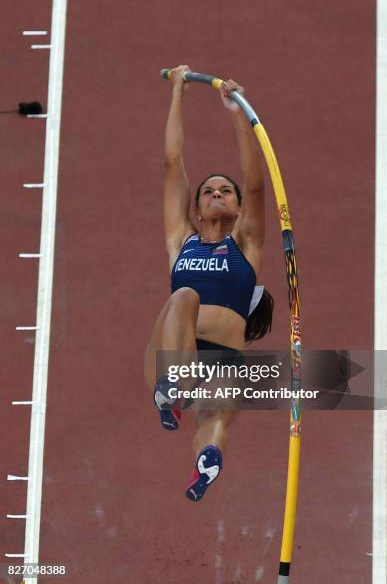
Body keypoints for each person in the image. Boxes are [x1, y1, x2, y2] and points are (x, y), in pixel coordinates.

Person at [144, 65, 274, 501]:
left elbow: (256, 185)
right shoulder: (181, 241)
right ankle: (172, 389)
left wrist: (238, 113)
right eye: (208, 191)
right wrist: (177, 93)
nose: (217, 193)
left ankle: (207, 462)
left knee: (214, 419)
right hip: (172, 357)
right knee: (185, 295)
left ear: (238, 210)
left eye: (226, 191)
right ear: (196, 209)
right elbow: (172, 163)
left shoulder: (248, 243)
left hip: (223, 362)